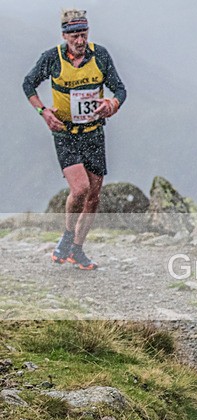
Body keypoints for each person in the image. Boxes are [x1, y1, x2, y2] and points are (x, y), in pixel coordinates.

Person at [23, 9, 126, 270]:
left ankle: (77, 251)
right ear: (64, 36)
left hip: (93, 132)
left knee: (93, 196)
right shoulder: (52, 58)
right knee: (79, 189)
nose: (80, 41)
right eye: (74, 37)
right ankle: (67, 237)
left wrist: (113, 103)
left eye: (84, 35)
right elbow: (28, 84)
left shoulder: (100, 55)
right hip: (65, 133)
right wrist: (43, 111)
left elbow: (120, 89)